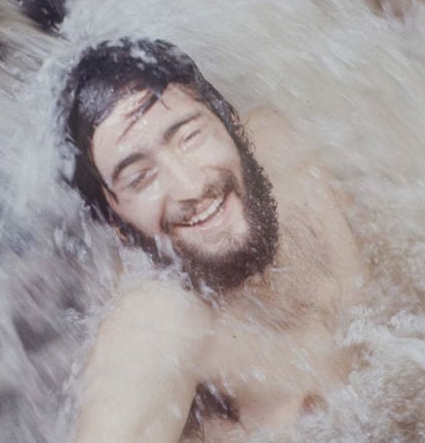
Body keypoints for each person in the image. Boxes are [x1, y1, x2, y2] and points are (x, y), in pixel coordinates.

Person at [60, 38, 366, 442]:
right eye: (140, 178)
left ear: (229, 122)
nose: (190, 185)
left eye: (189, 137)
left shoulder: (284, 149)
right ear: (119, 225)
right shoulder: (158, 323)